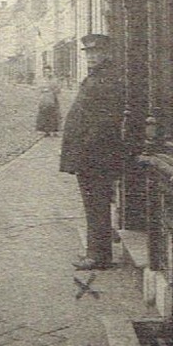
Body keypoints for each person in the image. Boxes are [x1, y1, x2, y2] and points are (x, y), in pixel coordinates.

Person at [60, 33, 125, 270]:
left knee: (95, 204)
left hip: (96, 155)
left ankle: (98, 255)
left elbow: (106, 122)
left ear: (106, 53)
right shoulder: (97, 77)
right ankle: (98, 251)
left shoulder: (107, 80)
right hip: (91, 154)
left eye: (96, 53)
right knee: (95, 203)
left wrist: (85, 150)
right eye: (88, 53)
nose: (91, 57)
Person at [36, 65, 61, 135]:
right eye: (45, 72)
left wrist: (54, 90)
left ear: (51, 72)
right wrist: (44, 90)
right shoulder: (41, 79)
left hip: (53, 99)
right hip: (44, 99)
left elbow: (58, 89)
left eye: (48, 71)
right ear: (43, 72)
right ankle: (45, 131)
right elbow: (39, 88)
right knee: (44, 114)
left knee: (54, 115)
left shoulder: (54, 79)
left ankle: (54, 130)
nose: (47, 73)